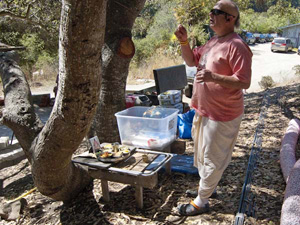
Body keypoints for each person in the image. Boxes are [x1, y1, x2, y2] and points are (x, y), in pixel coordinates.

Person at [174, 0, 252, 216]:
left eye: (216, 12)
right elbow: (191, 61)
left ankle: (201, 202)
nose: (210, 14)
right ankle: (207, 189)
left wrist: (212, 77)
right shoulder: (213, 41)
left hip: (222, 114)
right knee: (200, 154)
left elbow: (244, 81)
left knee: (212, 158)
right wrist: (184, 42)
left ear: (230, 18)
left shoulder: (237, 45)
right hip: (203, 109)